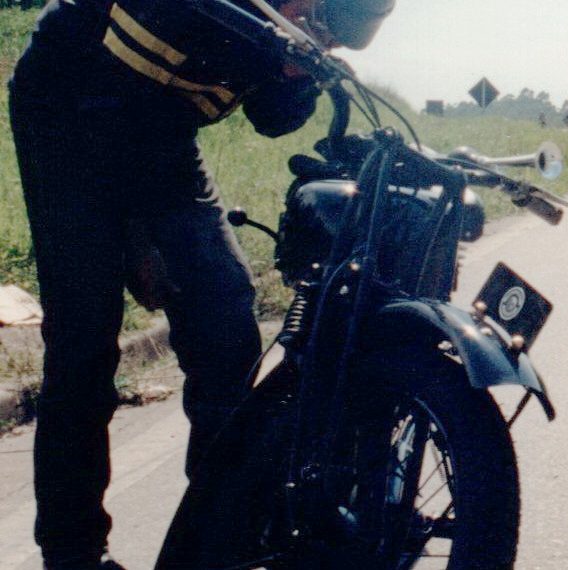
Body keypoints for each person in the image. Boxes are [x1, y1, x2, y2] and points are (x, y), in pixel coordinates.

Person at [7, 0, 394, 568]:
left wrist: (294, 72)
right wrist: (137, 241)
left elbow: (271, 118)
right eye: (318, 24)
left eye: (332, 39)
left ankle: (218, 538)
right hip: (68, 107)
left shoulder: (284, 29)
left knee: (227, 326)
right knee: (84, 340)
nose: (320, 39)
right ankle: (73, 552)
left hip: (161, 132)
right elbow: (117, 89)